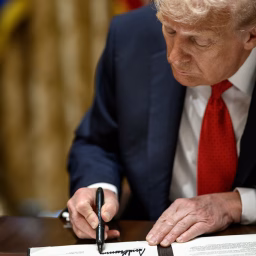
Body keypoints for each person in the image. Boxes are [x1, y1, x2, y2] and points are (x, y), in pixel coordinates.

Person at [67, 0, 256, 247]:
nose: (173, 57)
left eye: (198, 40)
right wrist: (99, 189)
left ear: (251, 35)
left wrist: (237, 204)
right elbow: (97, 143)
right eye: (169, 31)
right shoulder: (131, 35)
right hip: (152, 236)